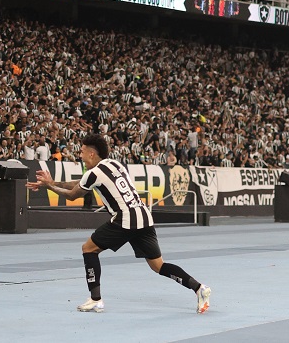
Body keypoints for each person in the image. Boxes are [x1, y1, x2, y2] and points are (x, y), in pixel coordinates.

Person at [26, 134, 211, 314]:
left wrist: (49, 186)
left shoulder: (94, 173)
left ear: (91, 153)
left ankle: (96, 300)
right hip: (144, 216)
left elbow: (73, 194)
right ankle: (199, 288)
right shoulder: (115, 164)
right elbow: (80, 183)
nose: (80, 156)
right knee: (158, 266)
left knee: (88, 248)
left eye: (82, 152)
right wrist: (52, 182)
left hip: (125, 218)